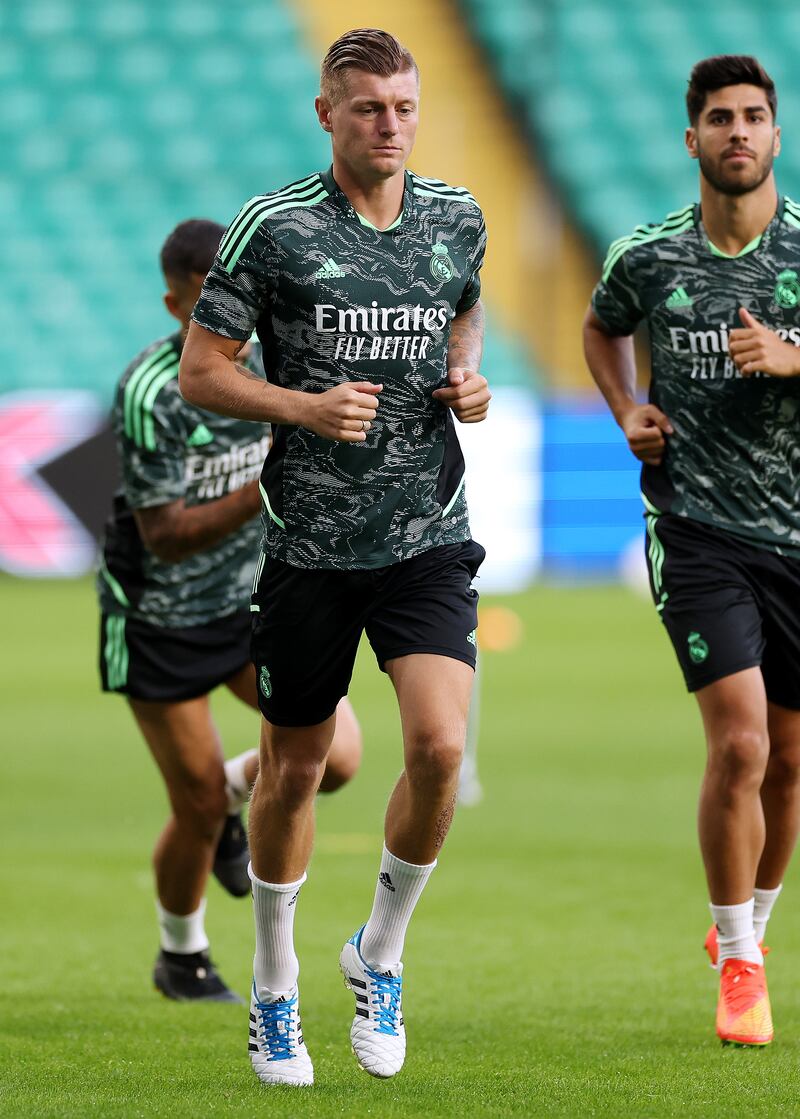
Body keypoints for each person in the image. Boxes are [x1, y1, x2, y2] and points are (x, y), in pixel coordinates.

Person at [180, 27, 490, 1086]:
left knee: (440, 750)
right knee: (297, 769)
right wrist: (303, 406)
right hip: (308, 547)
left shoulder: (457, 216)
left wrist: (468, 375)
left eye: (403, 106)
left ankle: (379, 955)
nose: (390, 124)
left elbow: (464, 306)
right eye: (367, 108)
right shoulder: (273, 229)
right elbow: (202, 372)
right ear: (327, 113)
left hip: (425, 535)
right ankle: (274, 987)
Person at [584, 55, 800, 1048]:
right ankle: (741, 964)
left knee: (789, 764)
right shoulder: (649, 256)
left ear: (774, 133)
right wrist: (627, 404)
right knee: (741, 744)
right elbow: (600, 327)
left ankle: (743, 932)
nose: (738, 133)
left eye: (754, 117)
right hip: (697, 527)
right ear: (691, 140)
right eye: (719, 118)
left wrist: (794, 358)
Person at [98, 219, 362, 1004]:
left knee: (338, 757)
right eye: (203, 300)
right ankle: (181, 956)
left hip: (252, 603)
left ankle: (227, 796)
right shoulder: (152, 392)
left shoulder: (281, 362)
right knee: (198, 807)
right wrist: (267, 486)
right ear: (176, 300)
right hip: (160, 619)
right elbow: (167, 537)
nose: (225, 314)